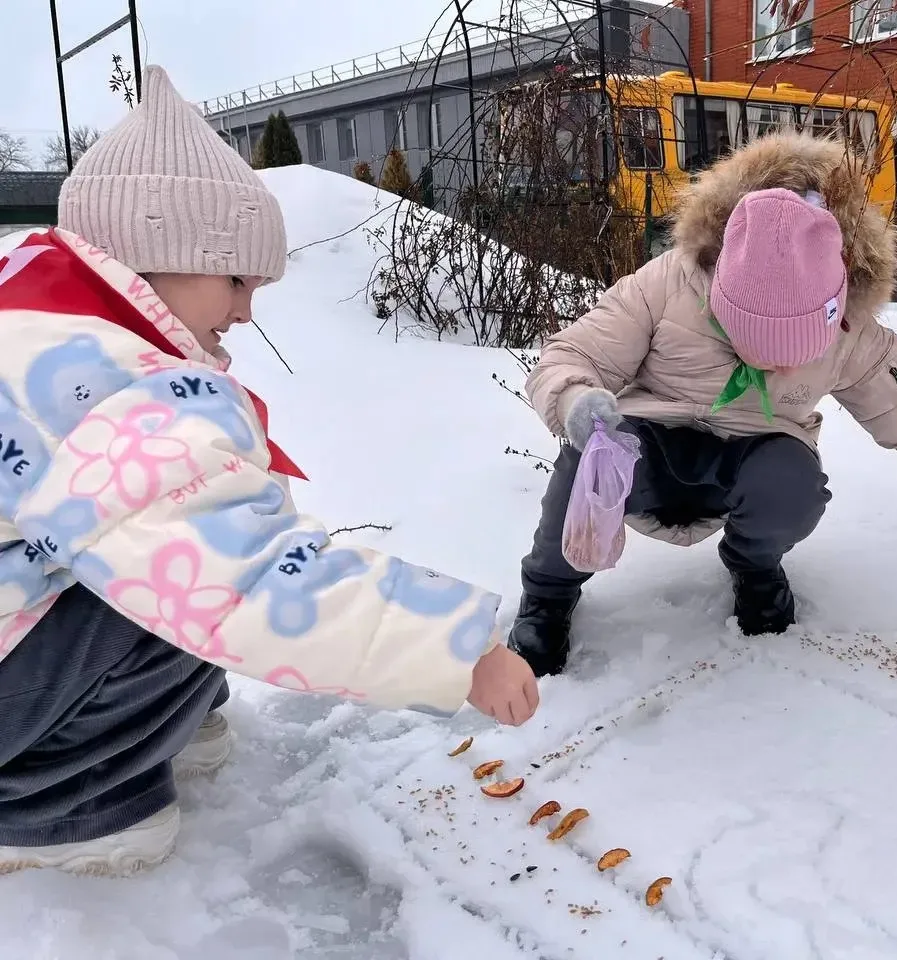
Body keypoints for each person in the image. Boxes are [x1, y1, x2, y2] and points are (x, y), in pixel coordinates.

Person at [0, 65, 538, 876]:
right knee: (180, 574)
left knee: (150, 553)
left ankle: (145, 727)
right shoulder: (106, 387)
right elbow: (246, 574)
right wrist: (460, 649)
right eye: (236, 279)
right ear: (156, 251)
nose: (247, 310)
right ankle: (57, 808)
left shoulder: (38, 319)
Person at [508, 131, 897, 677]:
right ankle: (548, 595)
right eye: (755, 345)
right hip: (648, 450)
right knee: (591, 454)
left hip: (752, 459)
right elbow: (571, 355)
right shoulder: (667, 284)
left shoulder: (852, 329)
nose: (778, 368)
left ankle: (754, 567)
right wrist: (577, 399)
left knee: (792, 479)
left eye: (795, 351)